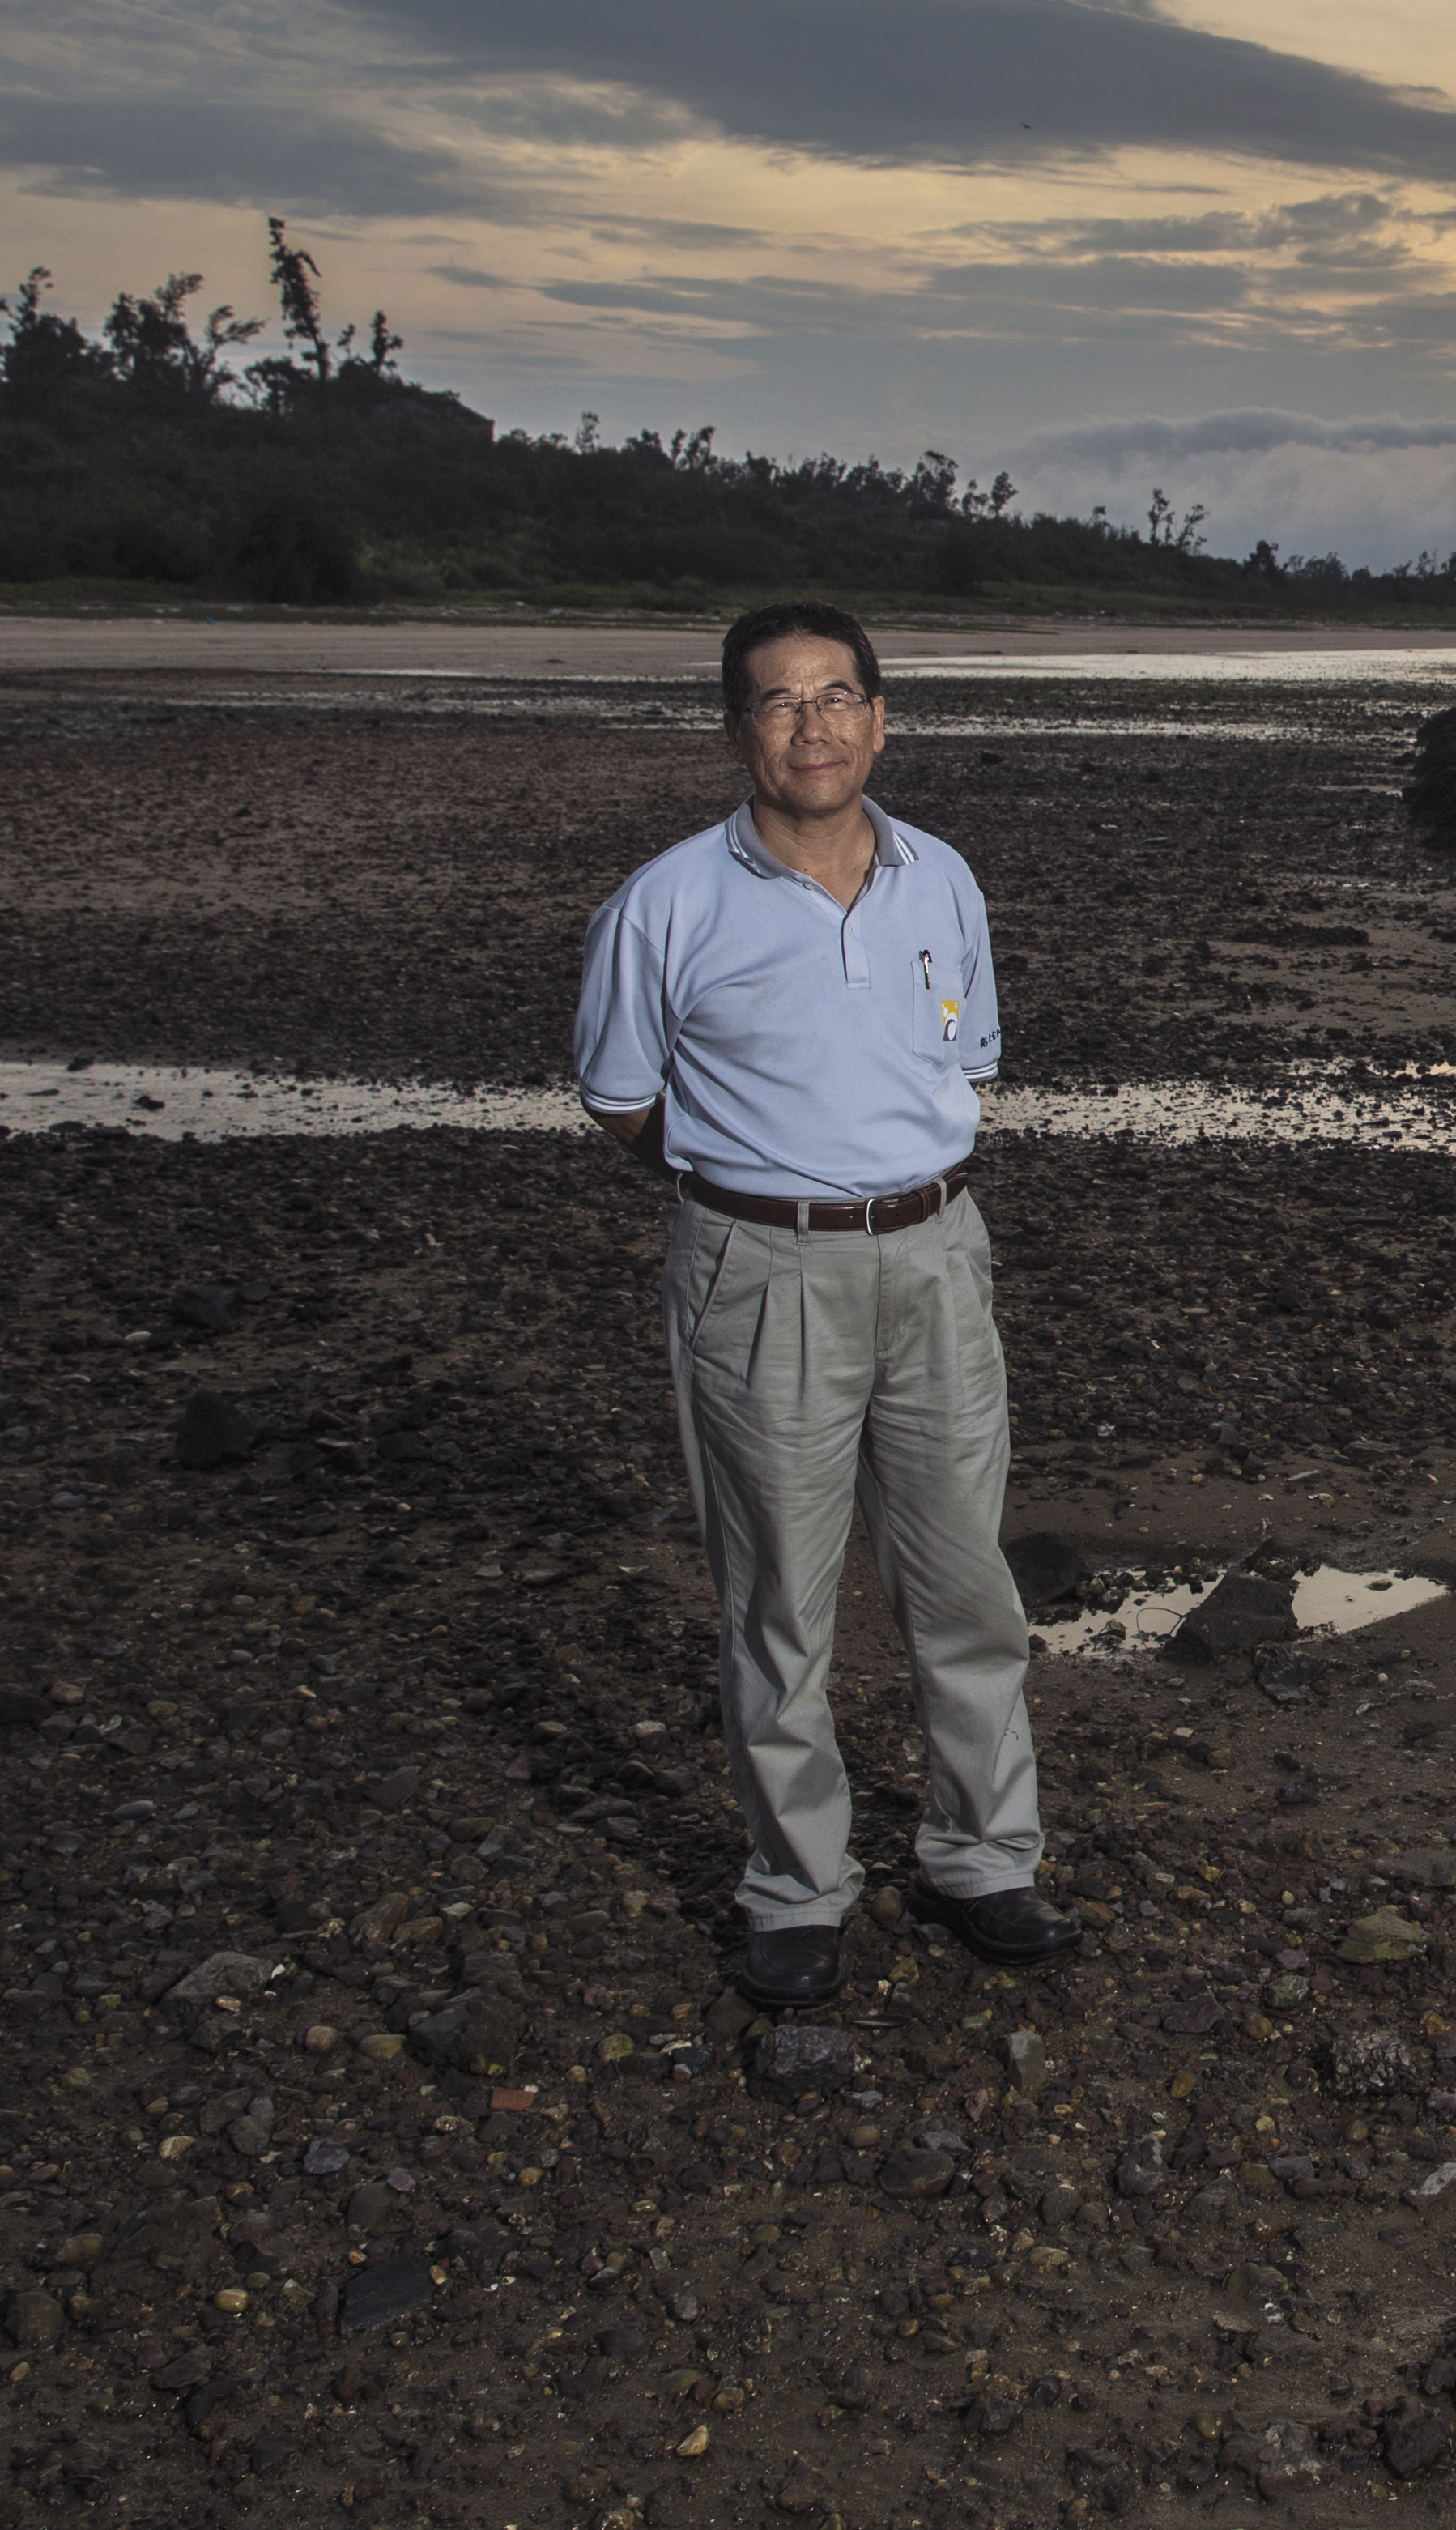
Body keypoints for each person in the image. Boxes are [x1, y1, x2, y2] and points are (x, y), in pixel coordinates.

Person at [573, 600, 1071, 2011]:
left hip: (935, 1259)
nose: (814, 725)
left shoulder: (945, 880)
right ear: (738, 730)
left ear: (881, 717)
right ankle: (798, 1889)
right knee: (779, 1600)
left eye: (838, 696)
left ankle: (984, 1860)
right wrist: (761, 1180)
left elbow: (964, 1061)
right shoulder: (666, 901)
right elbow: (621, 1099)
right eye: (780, 703)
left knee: (966, 1584)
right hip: (758, 1271)